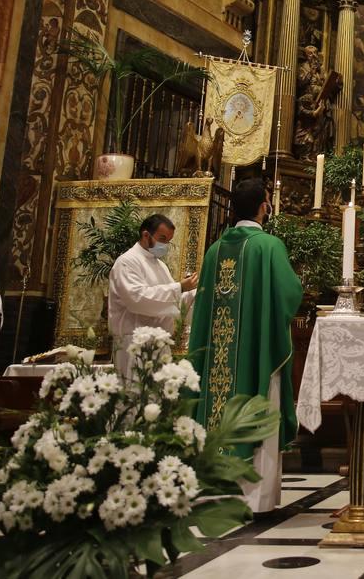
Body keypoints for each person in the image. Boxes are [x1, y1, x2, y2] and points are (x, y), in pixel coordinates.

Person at [190, 178, 303, 513]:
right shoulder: (268, 247)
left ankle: (215, 494)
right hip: (258, 352)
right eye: (267, 200)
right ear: (263, 206)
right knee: (262, 406)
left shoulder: (214, 250)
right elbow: (290, 295)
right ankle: (256, 501)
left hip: (217, 357)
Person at [108, 214, 199, 377]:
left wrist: (195, 293)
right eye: (162, 238)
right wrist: (179, 287)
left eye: (168, 241)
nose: (164, 245)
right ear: (145, 235)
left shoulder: (160, 266)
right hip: (134, 344)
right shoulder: (127, 262)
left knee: (159, 399)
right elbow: (138, 299)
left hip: (160, 344)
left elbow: (172, 303)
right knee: (135, 397)